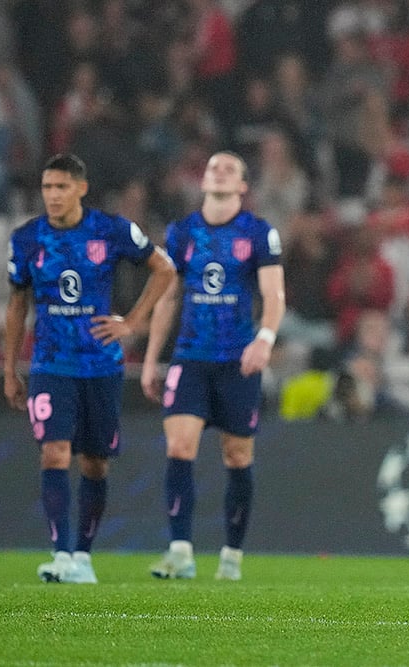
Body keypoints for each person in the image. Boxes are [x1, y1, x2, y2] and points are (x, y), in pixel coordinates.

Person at [3, 153, 175, 583]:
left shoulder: (110, 230)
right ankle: (60, 555)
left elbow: (165, 268)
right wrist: (10, 368)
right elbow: (17, 303)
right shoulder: (27, 238)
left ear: (81, 188)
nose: (53, 196)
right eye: (47, 188)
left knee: (95, 463)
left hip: (100, 364)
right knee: (54, 451)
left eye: (61, 187)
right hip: (51, 363)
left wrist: (132, 323)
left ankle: (82, 556)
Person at [140, 151, 286, 581]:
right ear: (202, 181)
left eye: (230, 169)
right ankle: (181, 551)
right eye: (212, 167)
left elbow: (274, 295)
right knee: (179, 446)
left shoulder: (258, 233)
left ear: (243, 186)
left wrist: (264, 338)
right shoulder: (183, 232)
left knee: (237, 454)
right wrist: (151, 359)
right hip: (190, 357)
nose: (218, 171)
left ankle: (232, 555)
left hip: (238, 360)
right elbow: (168, 296)